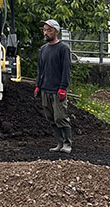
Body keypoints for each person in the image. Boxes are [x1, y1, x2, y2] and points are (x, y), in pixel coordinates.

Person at [35, 19, 72, 153]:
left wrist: (63, 87)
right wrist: (38, 85)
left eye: (49, 30)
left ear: (56, 32)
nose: (46, 33)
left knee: (60, 117)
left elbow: (66, 69)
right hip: (45, 88)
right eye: (45, 30)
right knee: (51, 118)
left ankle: (67, 143)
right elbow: (41, 69)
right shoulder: (43, 50)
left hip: (57, 89)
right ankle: (59, 142)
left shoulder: (63, 49)